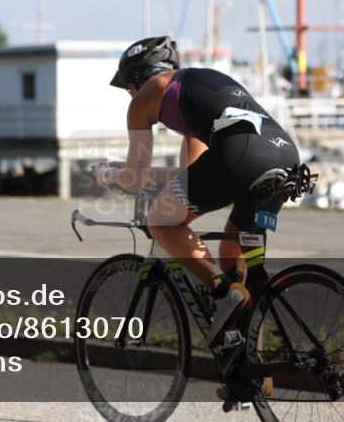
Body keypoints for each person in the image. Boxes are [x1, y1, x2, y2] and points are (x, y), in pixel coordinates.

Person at [94, 36, 301, 347]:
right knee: (234, 250)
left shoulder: (145, 97)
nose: (130, 96)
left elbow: (136, 179)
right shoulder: (194, 94)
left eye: (127, 89)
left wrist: (110, 174)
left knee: (162, 222)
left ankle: (221, 290)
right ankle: (251, 367)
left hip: (240, 156)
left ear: (136, 80)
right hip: (284, 155)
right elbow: (188, 176)